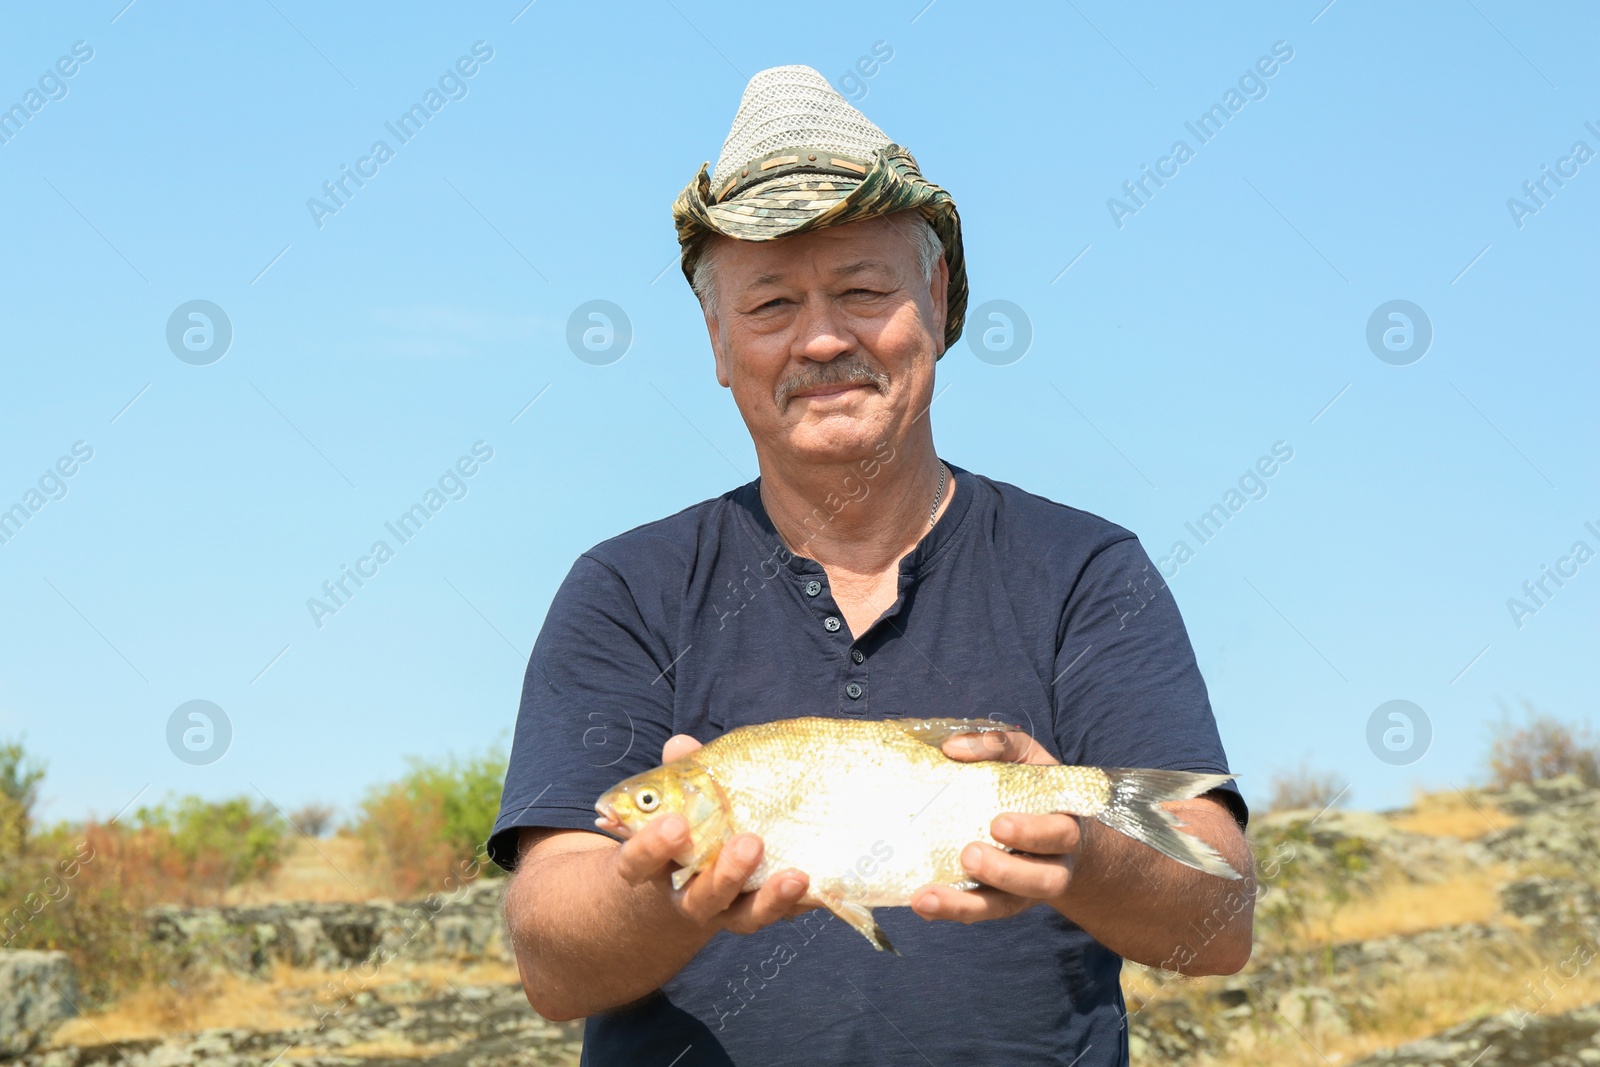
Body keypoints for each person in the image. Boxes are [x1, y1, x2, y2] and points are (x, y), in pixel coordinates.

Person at [488, 65, 1254, 1065]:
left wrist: (1078, 838)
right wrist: (665, 889)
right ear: (717, 341)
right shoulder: (624, 588)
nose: (821, 337)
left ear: (934, 300)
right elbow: (551, 963)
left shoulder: (1087, 570)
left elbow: (1219, 924)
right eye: (768, 305)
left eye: (861, 289)